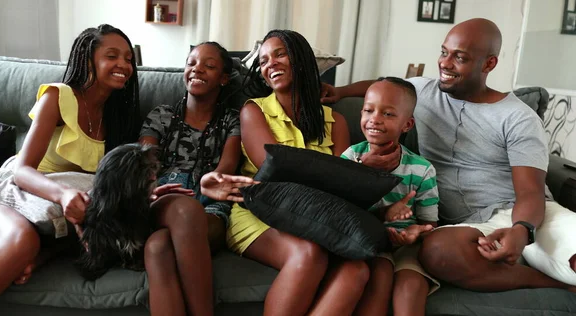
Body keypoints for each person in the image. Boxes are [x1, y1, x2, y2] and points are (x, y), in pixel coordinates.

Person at [321, 18, 576, 293]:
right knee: (437, 253)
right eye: (444, 52)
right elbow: (384, 87)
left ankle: (540, 259)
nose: (445, 63)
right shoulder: (422, 92)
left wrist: (521, 229)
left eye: (460, 57)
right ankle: (552, 284)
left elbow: (531, 193)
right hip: (466, 227)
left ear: (489, 64)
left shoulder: (518, 117)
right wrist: (341, 91)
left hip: (524, 214)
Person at [0, 24, 141, 309]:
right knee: (20, 241)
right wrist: (63, 194)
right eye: (112, 56)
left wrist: (40, 258)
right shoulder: (58, 97)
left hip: (49, 219)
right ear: (88, 60)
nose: (123, 65)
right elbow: (22, 170)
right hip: (7, 196)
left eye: (128, 58)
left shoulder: (120, 119)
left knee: (42, 242)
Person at [223, 29, 374, 316]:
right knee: (308, 254)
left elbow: (343, 184)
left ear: (302, 59)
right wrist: (333, 175)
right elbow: (274, 171)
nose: (271, 64)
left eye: (280, 54)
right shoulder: (253, 112)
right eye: (265, 60)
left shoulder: (336, 121)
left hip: (319, 217)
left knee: (357, 270)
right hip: (260, 212)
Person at [139, 41, 241, 316]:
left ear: (223, 78)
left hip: (211, 205)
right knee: (183, 210)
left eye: (209, 66)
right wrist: (149, 189)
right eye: (192, 63)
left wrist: (213, 182)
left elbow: (227, 167)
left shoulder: (233, 120)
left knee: (159, 247)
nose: (197, 70)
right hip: (163, 199)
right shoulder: (161, 115)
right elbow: (146, 163)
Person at [339, 77, 440, 316]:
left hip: (408, 246)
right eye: (368, 110)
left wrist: (415, 233)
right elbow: (339, 210)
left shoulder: (422, 170)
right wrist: (361, 168)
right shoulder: (351, 157)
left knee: (411, 285)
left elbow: (429, 224)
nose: (374, 119)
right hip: (369, 242)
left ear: (407, 125)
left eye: (388, 114)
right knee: (380, 277)